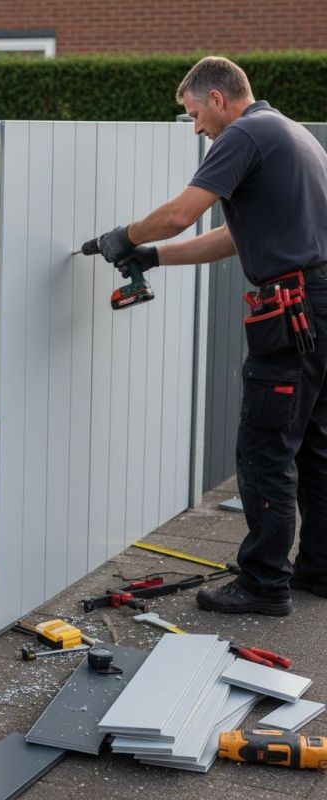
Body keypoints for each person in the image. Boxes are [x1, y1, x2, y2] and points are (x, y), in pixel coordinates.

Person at [88, 55, 327, 616]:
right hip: (319, 303)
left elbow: (180, 213)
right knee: (316, 445)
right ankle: (319, 571)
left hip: (293, 310)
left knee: (265, 448)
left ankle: (263, 585)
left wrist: (123, 236)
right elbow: (233, 239)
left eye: (195, 113)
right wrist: (153, 256)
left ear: (218, 98)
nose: (196, 127)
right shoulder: (291, 133)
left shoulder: (243, 134)